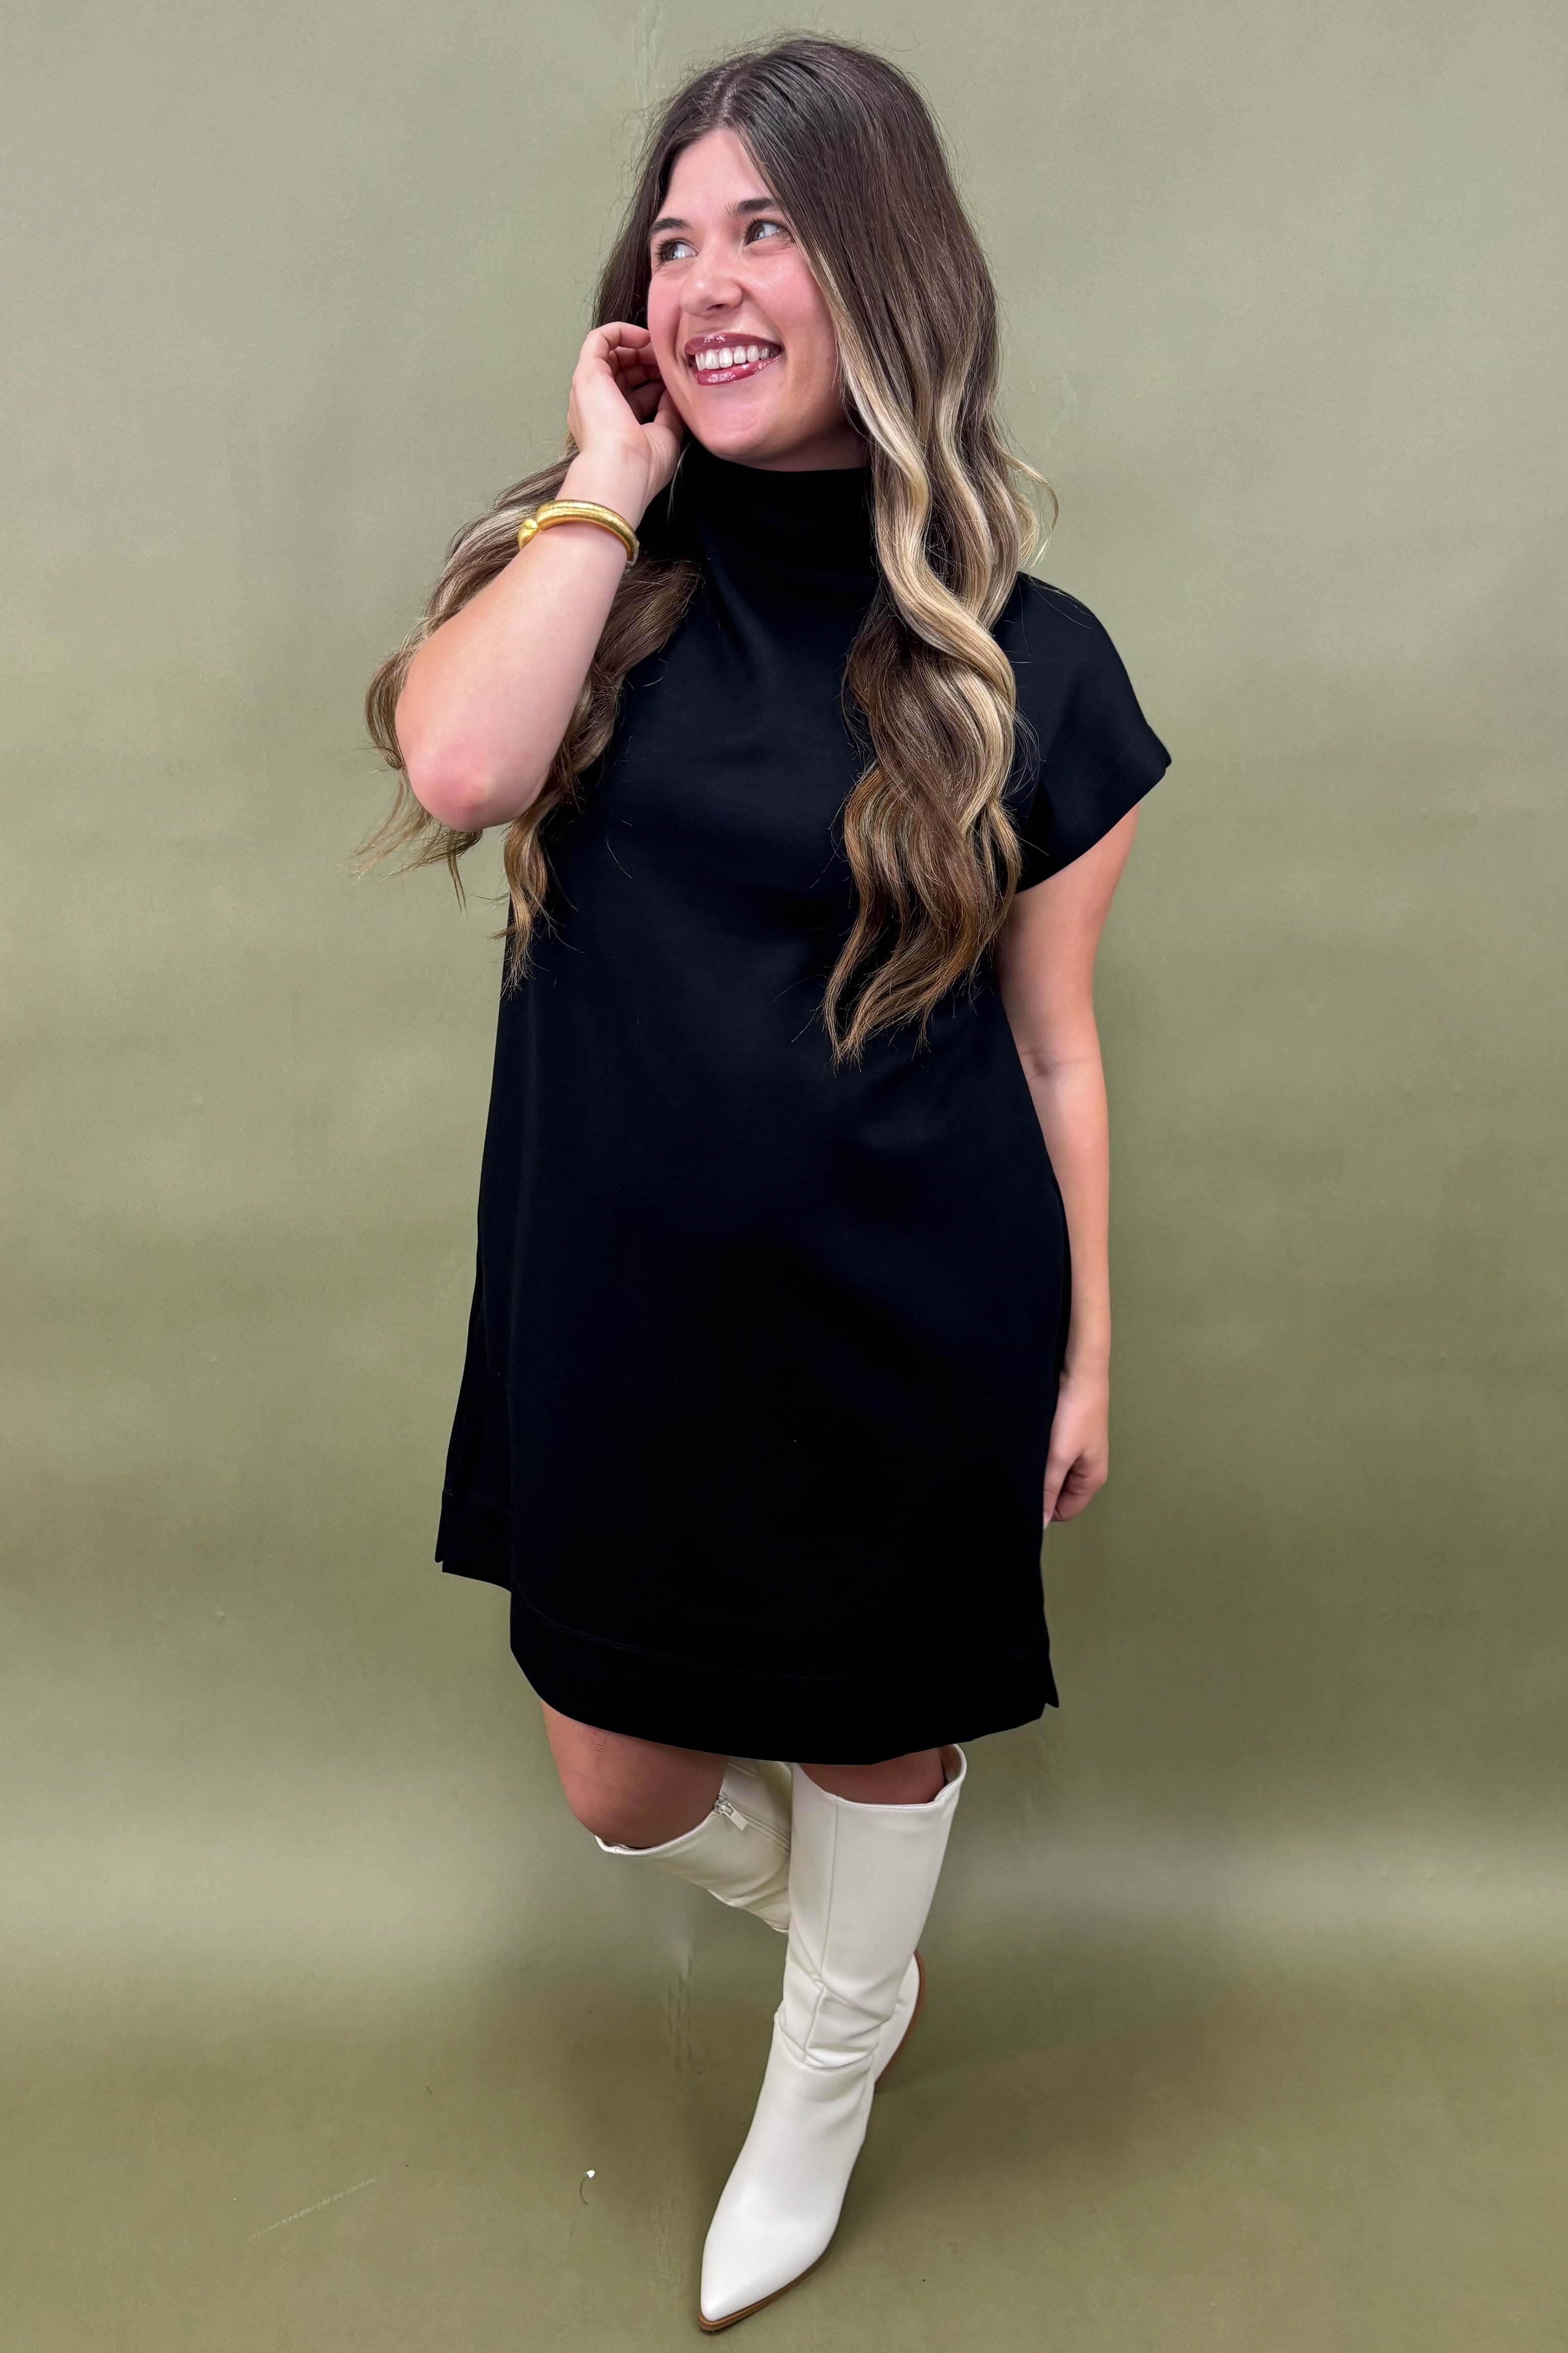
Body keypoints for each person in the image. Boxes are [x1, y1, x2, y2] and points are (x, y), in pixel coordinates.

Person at [362, 34, 1170, 2334]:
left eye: (770, 230)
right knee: (617, 1778)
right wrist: (606, 481)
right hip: (614, 1318)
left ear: (886, 271)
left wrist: (1087, 1344)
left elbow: (1052, 1041)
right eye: (676, 238)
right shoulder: (587, 578)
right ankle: (858, 1949)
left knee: (870, 1721)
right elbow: (460, 763)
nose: (707, 279)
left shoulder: (1030, 665)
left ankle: (826, 2059)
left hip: (909, 1310)